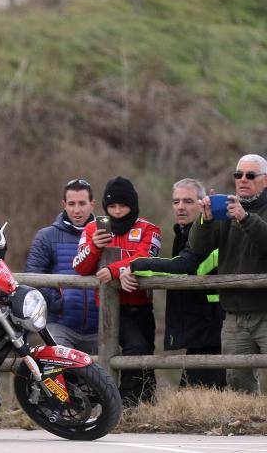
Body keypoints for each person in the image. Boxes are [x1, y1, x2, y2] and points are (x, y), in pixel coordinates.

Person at [121, 178, 225, 389]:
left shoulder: (207, 230)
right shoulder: (184, 231)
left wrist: (134, 265)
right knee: (194, 393)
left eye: (187, 201)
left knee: (200, 395)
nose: (180, 207)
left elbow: (182, 266)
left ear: (203, 203)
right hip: (200, 323)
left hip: (212, 322)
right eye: (176, 201)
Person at [72, 177, 161, 407]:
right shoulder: (93, 229)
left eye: (123, 206)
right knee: (134, 348)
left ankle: (147, 403)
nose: (118, 211)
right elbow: (80, 267)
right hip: (108, 307)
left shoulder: (148, 229)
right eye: (112, 207)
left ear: (133, 205)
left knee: (145, 353)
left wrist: (117, 270)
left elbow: (147, 257)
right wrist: (95, 247)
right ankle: (124, 404)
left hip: (141, 305)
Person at [187, 154, 267, 394]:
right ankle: (248, 426)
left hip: (266, 310)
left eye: (250, 175)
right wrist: (205, 220)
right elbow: (198, 248)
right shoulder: (226, 209)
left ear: (265, 180)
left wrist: (245, 218)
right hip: (234, 314)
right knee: (238, 382)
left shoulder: (242, 213)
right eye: (238, 174)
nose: (243, 180)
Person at [25, 178, 98, 354]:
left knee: (102, 379)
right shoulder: (46, 236)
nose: (77, 210)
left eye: (82, 203)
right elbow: (32, 277)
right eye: (71, 204)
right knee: (57, 373)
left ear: (92, 204)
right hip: (60, 324)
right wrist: (57, 302)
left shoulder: (105, 235)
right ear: (64, 204)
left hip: (100, 326)